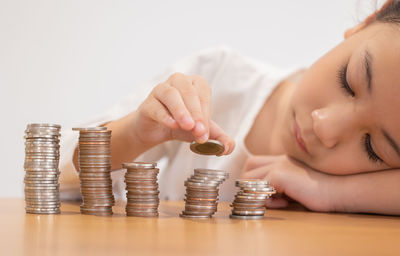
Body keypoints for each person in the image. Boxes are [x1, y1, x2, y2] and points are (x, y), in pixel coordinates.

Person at [60, 0, 400, 215]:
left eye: (373, 147)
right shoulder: (215, 76)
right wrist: (136, 134)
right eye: (348, 81)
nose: (325, 126)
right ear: (365, 24)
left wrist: (333, 193)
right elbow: (60, 179)